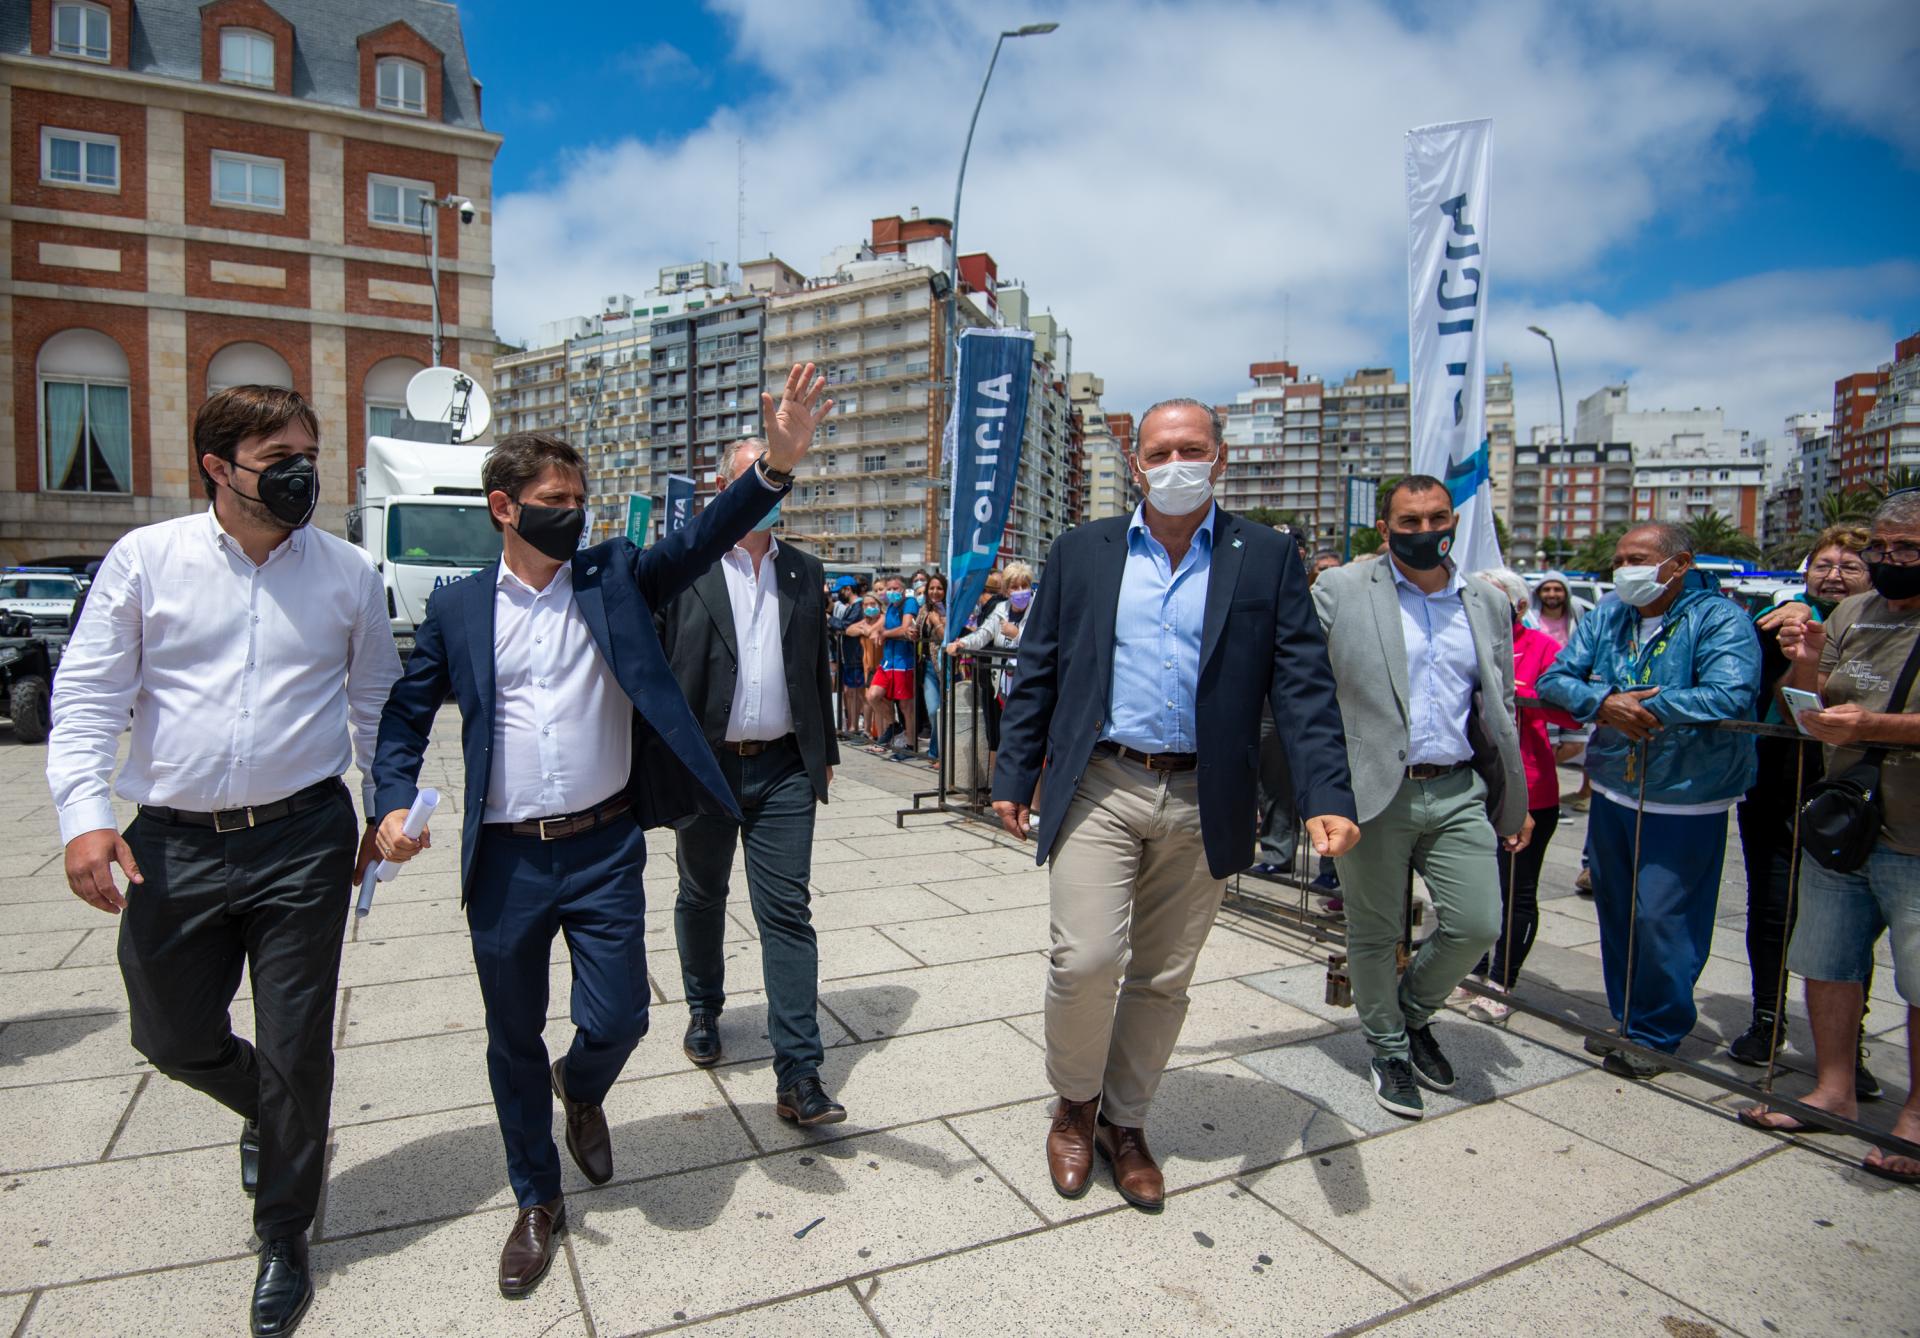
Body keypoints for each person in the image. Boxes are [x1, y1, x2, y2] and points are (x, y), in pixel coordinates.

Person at [370, 366, 830, 1298]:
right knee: (511, 1035)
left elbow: (701, 537)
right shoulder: (458, 608)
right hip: (505, 859)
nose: (573, 516)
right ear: (504, 508)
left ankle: (581, 1087)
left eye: (580, 501)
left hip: (604, 846)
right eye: (555, 502)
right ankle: (536, 1198)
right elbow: (405, 715)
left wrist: (774, 469)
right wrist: (390, 799)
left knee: (620, 1017)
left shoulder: (614, 576)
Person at [46, 385, 400, 1337]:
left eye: (309, 457)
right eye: (277, 459)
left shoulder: (347, 573)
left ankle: (284, 1233)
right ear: (216, 466)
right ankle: (269, 1109)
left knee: (296, 1045)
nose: (301, 476)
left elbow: (376, 705)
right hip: (172, 843)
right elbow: (87, 697)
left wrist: (386, 813)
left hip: (303, 839)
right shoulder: (146, 561)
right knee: (169, 1036)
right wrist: (85, 817)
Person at [991, 398, 1358, 1211]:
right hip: (1103, 782)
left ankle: (1125, 1122)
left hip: (1205, 792)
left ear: (1220, 458)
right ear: (1136, 465)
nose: (1175, 464)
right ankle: (1075, 1104)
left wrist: (1327, 793)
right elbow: (1039, 666)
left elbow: (1303, 684)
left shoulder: (1266, 555)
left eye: (1191, 449)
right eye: (1158, 452)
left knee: (1162, 975)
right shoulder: (1083, 549)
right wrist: (1013, 776)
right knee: (1085, 960)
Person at [1312, 478, 1530, 1119]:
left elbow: (1500, 703)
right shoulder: (1342, 589)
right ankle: (1389, 1049)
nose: (1425, 530)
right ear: (1386, 529)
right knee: (1375, 931)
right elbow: (1302, 685)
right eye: (1410, 521)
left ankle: (1409, 1015)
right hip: (1373, 791)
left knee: (1476, 924)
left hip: (1459, 786)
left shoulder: (1486, 602)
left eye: (1437, 518)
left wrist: (1513, 796)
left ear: (1454, 522)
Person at [656, 437, 846, 1125]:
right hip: (706, 767)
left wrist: (824, 749)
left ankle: (799, 1073)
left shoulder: (804, 570)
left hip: (785, 768)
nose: (771, 492)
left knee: (786, 911)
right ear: (725, 489)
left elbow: (813, 668)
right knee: (702, 894)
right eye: (758, 478)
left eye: (780, 479)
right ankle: (704, 1007)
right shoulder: (685, 567)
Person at [1736, 494, 1920, 1184]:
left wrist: (1873, 727)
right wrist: (1807, 662)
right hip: (1843, 820)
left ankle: (1915, 1118)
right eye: (1882, 547)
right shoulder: (1853, 613)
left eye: (1907, 548)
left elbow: (1863, 717)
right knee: (1827, 958)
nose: (1889, 559)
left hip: (1914, 831)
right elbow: (1808, 703)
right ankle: (1833, 1089)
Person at [1537, 523, 1760, 1078]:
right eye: (1618, 560)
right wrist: (1604, 702)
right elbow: (1555, 679)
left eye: (1635, 559)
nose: (1623, 570)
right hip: (1614, 785)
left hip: (1684, 795)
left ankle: (1657, 1032)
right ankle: (1628, 1020)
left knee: (1663, 918)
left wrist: (1644, 708)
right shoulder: (1609, 613)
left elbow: (1730, 692)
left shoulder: (1719, 618)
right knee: (1616, 912)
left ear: (1678, 564)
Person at [1729, 526, 1875, 1073]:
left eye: (1849, 566)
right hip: (1779, 782)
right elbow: (1781, 697)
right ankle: (1767, 1017)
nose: (1833, 576)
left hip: (1856, 788)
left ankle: (1848, 1044)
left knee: (1855, 919)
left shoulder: (1886, 627)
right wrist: (1798, 631)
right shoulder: (1779, 620)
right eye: (1823, 565)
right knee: (1772, 907)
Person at [1459, 568, 1578, 1024]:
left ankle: (1501, 981)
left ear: (1519, 606)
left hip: (1527, 787)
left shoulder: (1544, 647)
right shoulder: (1466, 640)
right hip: (1470, 785)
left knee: (1516, 890)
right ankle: (1472, 967)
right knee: (1473, 886)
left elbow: (1572, 712)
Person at [1252, 525, 1313, 877]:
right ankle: (1277, 850)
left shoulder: (1313, 589)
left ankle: (1288, 852)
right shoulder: (1255, 580)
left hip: (1292, 702)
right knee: (1266, 783)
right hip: (1257, 701)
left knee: (1285, 782)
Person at [866, 574, 919, 756]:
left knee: (906, 706)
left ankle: (910, 745)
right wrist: (879, 632)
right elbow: (884, 628)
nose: (891, 592)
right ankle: (893, 726)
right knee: (873, 695)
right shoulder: (890, 607)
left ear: (903, 589)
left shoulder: (909, 603)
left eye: (895, 588)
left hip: (903, 661)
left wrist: (884, 634)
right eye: (889, 589)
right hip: (888, 660)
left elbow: (905, 628)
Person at [830, 580, 868, 738]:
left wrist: (829, 618)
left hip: (856, 656)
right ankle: (852, 726)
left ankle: (857, 727)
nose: (838, 595)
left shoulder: (858, 607)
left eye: (840, 591)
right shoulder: (852, 607)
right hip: (849, 656)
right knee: (850, 692)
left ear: (848, 589)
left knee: (858, 692)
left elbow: (844, 625)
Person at [918, 574, 948, 768]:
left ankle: (938, 754)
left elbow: (947, 637)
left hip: (947, 666)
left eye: (939, 588)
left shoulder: (952, 610)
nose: (935, 592)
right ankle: (936, 751)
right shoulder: (924, 609)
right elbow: (916, 631)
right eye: (931, 588)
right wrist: (911, 633)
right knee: (933, 710)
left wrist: (937, 622)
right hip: (928, 666)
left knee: (944, 711)